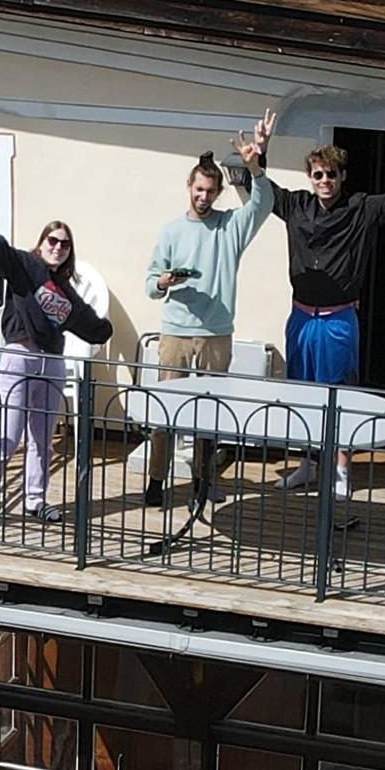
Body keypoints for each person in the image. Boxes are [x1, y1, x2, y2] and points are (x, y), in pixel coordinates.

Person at [230, 109, 385, 490]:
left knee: (339, 392)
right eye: (318, 174)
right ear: (310, 177)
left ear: (342, 176)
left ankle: (339, 469)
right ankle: (307, 463)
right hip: (301, 318)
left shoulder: (361, 208)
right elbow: (264, 194)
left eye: (331, 174)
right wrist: (260, 155)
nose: (325, 181)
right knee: (301, 393)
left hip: (338, 319)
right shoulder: (296, 205)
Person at [0, 193, 111, 527]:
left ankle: (35, 500)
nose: (58, 247)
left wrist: (107, 328)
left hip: (52, 364)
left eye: (65, 244)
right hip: (19, 358)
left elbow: (91, 326)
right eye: (52, 240)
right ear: (41, 243)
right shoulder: (24, 267)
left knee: (43, 440)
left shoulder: (66, 292)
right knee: (7, 438)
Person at [139, 150, 271, 506]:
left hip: (216, 333)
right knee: (165, 409)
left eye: (211, 191)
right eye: (199, 189)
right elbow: (150, 284)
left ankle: (203, 480)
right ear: (189, 186)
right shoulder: (171, 230)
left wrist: (255, 169)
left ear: (218, 192)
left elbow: (264, 203)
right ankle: (156, 479)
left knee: (209, 412)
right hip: (175, 331)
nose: (204, 196)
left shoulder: (231, 226)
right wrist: (164, 282)